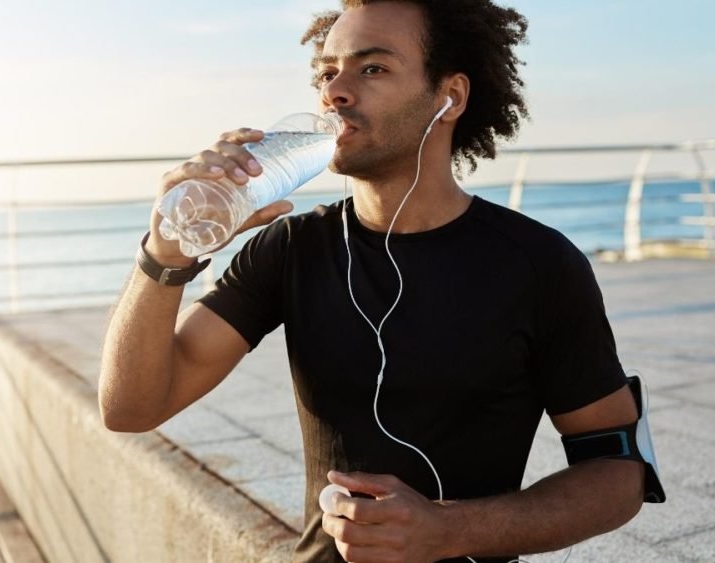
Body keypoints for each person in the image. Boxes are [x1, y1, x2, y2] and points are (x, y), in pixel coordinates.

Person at [99, 1, 648, 561]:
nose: (334, 91)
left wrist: (449, 530)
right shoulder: (289, 249)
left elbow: (618, 473)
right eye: (326, 71)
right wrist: (165, 252)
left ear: (448, 97)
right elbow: (131, 409)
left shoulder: (539, 263)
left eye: (372, 68)